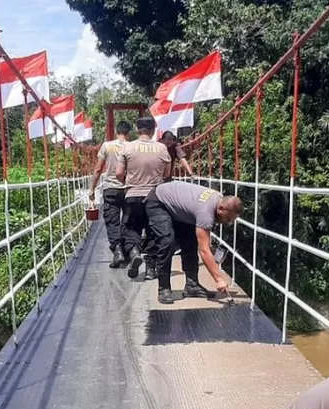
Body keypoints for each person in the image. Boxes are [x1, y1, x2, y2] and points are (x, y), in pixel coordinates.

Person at [145, 180, 243, 304]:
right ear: (220, 208)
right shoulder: (206, 212)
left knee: (190, 241)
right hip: (158, 201)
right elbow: (204, 251)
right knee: (167, 242)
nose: (228, 223)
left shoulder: (218, 199)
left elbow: (203, 242)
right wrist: (218, 279)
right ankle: (164, 288)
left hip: (178, 205)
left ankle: (192, 286)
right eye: (228, 218)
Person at [115, 117, 170, 279]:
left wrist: (129, 183)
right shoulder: (162, 148)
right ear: (152, 131)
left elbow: (118, 173)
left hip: (133, 195)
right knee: (153, 232)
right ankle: (151, 270)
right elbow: (167, 174)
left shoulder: (127, 147)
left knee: (130, 228)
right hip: (155, 196)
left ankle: (134, 252)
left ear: (137, 130)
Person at [91, 121, 132, 268]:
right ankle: (130, 252)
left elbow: (98, 169)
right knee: (128, 221)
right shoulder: (132, 146)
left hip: (110, 189)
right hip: (128, 189)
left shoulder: (106, 146)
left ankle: (118, 251)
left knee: (112, 222)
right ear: (129, 133)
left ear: (116, 131)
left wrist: (92, 189)